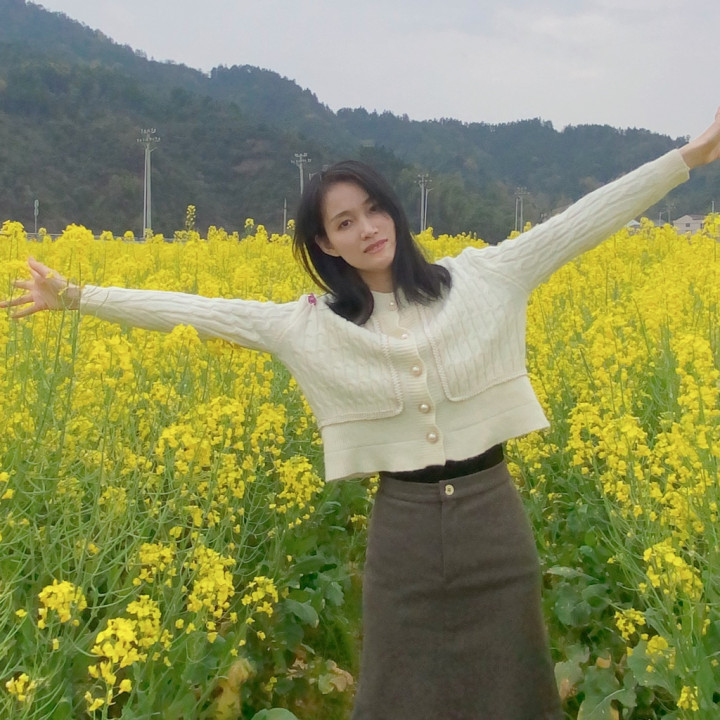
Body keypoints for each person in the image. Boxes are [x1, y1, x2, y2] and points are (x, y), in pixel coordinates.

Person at [3, 109, 720, 720]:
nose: (368, 228)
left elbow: (585, 220)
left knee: (514, 689)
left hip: (493, 521)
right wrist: (79, 296)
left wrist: (688, 156)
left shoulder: (484, 277)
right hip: (403, 534)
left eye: (375, 210)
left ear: (394, 212)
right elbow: (200, 311)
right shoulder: (309, 326)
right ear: (325, 243)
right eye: (345, 222)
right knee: (397, 694)